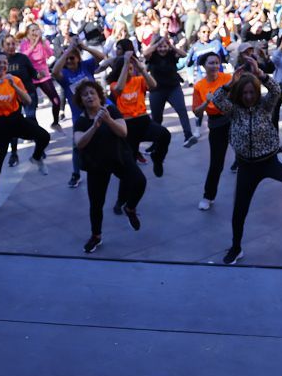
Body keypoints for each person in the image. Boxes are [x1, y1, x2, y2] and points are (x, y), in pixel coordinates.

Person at [209, 56, 282, 265]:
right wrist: (231, 83)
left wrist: (261, 74)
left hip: (270, 159)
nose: (249, 96)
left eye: (252, 92)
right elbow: (216, 99)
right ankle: (236, 247)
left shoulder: (264, 106)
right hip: (247, 166)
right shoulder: (234, 110)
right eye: (245, 93)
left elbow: (276, 91)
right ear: (239, 94)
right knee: (239, 210)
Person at [0, 52, 50, 216]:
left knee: (44, 136)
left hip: (16, 120)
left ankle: (36, 157)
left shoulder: (15, 80)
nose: (2, 66)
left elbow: (28, 101)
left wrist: (14, 86)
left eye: (5, 63)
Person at [73, 79, 145, 253]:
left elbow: (123, 131)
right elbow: (79, 143)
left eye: (92, 93)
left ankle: (130, 207)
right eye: (85, 95)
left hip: (119, 157)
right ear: (81, 101)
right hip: (97, 164)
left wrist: (108, 120)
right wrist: (94, 126)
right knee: (96, 204)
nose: (89, 97)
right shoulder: (81, 121)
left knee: (140, 182)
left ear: (99, 96)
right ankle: (96, 236)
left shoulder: (110, 110)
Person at [110, 47, 171, 180]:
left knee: (165, 135)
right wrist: (126, 63)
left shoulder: (138, 80)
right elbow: (119, 89)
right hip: (127, 126)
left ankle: (157, 158)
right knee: (130, 165)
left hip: (143, 121)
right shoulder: (114, 84)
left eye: (131, 69)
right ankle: (125, 194)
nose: (129, 71)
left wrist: (141, 68)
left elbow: (154, 85)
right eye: (126, 69)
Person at [52, 40, 106, 188]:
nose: (70, 60)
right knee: (77, 145)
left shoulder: (86, 65)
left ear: (78, 58)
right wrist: (67, 50)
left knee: (111, 134)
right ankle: (76, 174)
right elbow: (54, 72)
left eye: (72, 57)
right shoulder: (64, 74)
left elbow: (101, 57)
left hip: (99, 108)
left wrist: (84, 47)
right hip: (80, 115)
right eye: (67, 58)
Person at [191, 51, 233, 210]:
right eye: (211, 63)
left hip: (233, 119)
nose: (215, 66)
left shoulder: (228, 78)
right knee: (216, 163)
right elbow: (196, 111)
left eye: (217, 62)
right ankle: (208, 196)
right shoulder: (199, 86)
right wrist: (206, 102)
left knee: (247, 155)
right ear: (204, 66)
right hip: (216, 124)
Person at [143, 36, 195, 147]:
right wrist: (157, 44)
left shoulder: (172, 54)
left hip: (173, 88)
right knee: (157, 118)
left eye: (164, 46)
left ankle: (188, 135)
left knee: (182, 111)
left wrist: (171, 46)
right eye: (160, 47)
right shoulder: (152, 56)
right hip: (157, 90)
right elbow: (145, 53)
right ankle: (155, 143)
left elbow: (184, 55)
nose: (162, 49)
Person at [2, 34, 39, 167]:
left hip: (28, 93)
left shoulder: (23, 58)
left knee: (31, 118)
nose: (11, 47)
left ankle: (39, 148)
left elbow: (33, 73)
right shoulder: (1, 60)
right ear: (3, 46)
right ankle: (13, 153)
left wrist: (40, 75)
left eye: (13, 44)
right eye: (8, 44)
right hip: (11, 97)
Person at [19, 23, 63, 128]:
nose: (35, 33)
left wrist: (42, 43)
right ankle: (33, 129)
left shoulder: (43, 42)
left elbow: (50, 54)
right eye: (32, 31)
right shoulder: (24, 44)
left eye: (36, 30)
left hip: (44, 76)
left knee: (56, 101)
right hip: (31, 77)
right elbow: (23, 57)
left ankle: (55, 122)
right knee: (31, 106)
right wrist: (33, 45)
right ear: (28, 33)